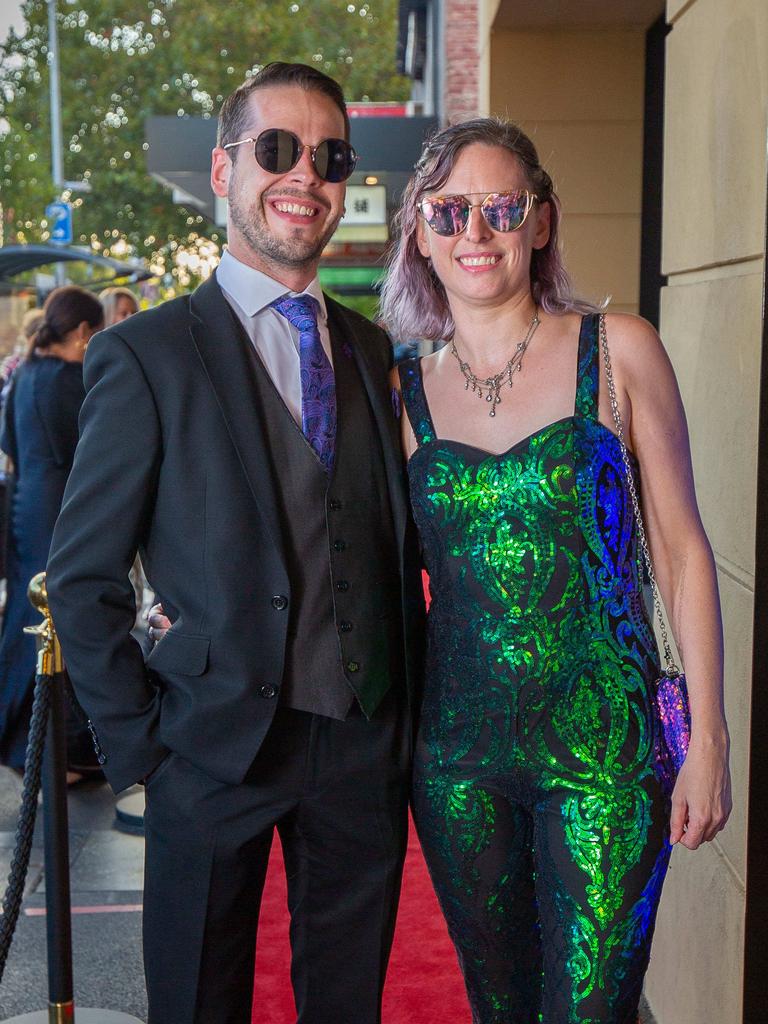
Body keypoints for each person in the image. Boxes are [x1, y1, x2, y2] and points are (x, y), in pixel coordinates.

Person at [46, 62, 423, 1024]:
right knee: (196, 1005)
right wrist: (141, 750)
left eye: (329, 156)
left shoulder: (374, 349)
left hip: (359, 748)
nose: (307, 174)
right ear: (223, 172)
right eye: (277, 149)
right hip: (207, 749)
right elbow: (86, 576)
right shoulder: (147, 353)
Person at [380, 118, 732, 1024]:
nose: (476, 232)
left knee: (593, 1010)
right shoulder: (400, 392)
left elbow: (684, 552)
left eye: (502, 208)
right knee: (501, 1009)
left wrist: (710, 741)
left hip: (610, 755)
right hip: (459, 761)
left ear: (541, 222)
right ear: (420, 229)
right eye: (451, 211)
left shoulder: (619, 349)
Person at [0, 286, 104, 778]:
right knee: (57, 627)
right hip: (60, 510)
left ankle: (41, 747)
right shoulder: (71, 380)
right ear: (83, 332)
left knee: (28, 625)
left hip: (27, 507)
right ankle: (44, 753)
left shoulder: (25, 375)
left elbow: (9, 443)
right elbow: (92, 451)